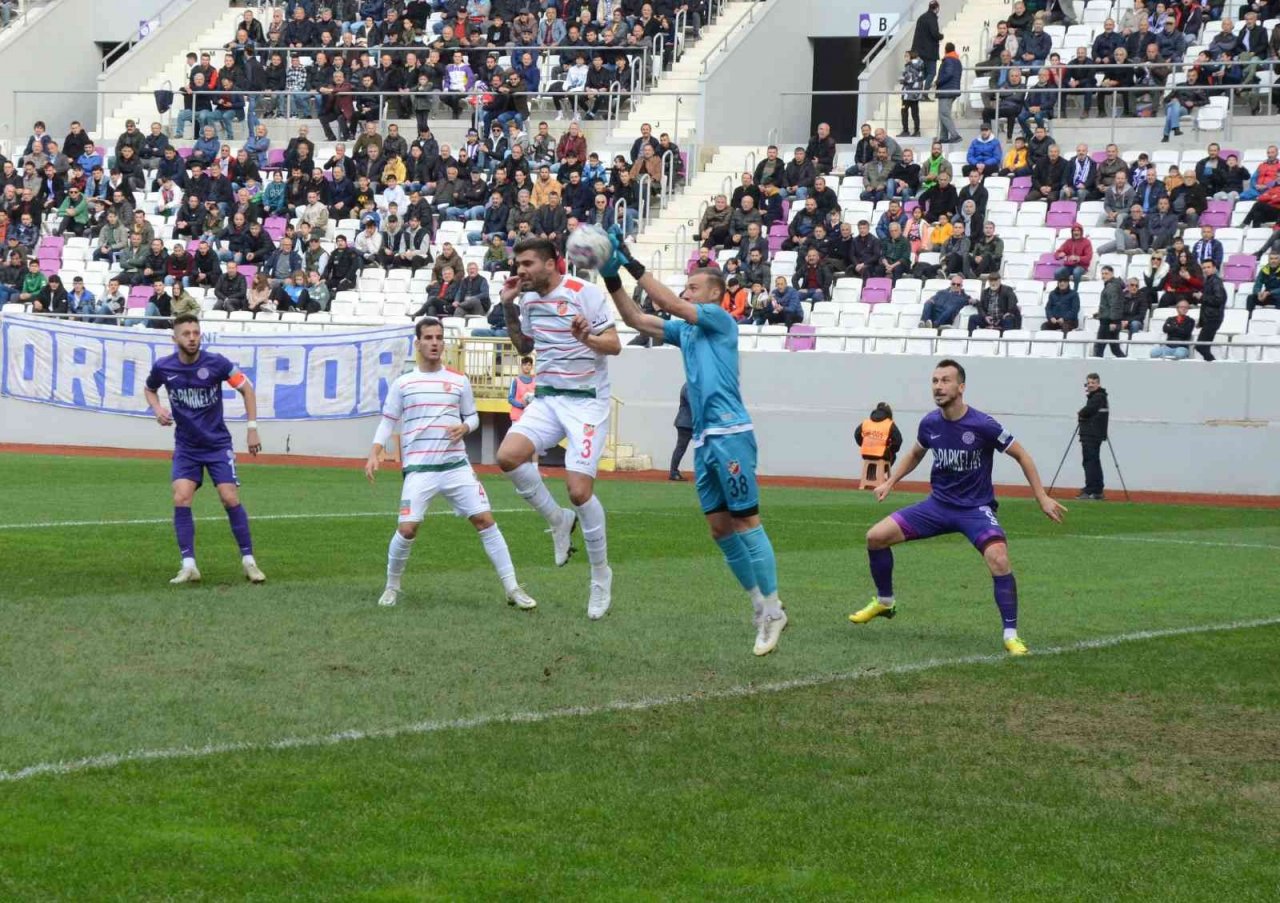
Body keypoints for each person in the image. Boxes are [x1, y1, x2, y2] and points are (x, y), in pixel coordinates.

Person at [599, 230, 788, 656]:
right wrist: (612, 277)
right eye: (686, 287)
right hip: (705, 440)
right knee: (719, 529)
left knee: (746, 523)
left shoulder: (721, 321)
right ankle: (759, 605)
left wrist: (628, 259)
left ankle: (775, 609)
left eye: (693, 287)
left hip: (730, 433)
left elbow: (665, 303)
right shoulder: (686, 333)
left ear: (716, 294)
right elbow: (636, 319)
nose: (686, 291)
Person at [849, 359, 1066, 656]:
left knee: (999, 559)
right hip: (937, 507)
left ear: (961, 387)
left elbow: (1022, 455)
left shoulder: (983, 425)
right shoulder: (930, 423)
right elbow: (915, 453)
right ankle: (885, 602)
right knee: (875, 537)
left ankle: (1011, 635)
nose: (938, 386)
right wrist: (891, 481)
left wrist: (1041, 497)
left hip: (975, 509)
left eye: (945, 380)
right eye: (935, 381)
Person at [365, 318, 537, 611]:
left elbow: (471, 417)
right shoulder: (403, 383)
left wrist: (465, 428)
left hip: (456, 466)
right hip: (420, 470)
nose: (434, 342)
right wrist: (374, 452)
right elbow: (388, 421)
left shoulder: (459, 381)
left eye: (439, 337)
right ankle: (392, 586)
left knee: (485, 521)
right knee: (407, 530)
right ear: (417, 343)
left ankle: (512, 587)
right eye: (428, 337)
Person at [494, 238, 621, 620]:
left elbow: (614, 345)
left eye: (528, 263)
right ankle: (557, 520)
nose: (521, 270)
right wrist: (507, 306)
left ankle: (600, 577)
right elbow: (524, 348)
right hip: (548, 397)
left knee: (579, 492)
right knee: (507, 457)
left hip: (586, 401)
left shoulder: (585, 293)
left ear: (552, 263)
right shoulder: (528, 299)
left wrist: (587, 338)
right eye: (518, 263)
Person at [142, 314, 265, 586]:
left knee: (229, 498)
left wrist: (252, 427)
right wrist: (157, 408)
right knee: (181, 497)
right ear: (174, 338)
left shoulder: (217, 363)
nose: (192, 337)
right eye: (186, 333)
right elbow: (149, 389)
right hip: (186, 446)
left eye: (196, 332)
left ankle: (249, 561)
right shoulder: (164, 367)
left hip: (217, 444)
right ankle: (189, 565)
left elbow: (247, 389)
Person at [1077, 373, 1109, 501]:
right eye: (1089, 383)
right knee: (1094, 461)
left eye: (1093, 383)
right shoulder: (1099, 397)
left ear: (1098, 384)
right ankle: (1097, 490)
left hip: (1091, 435)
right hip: (1095, 434)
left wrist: (1080, 413)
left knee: (1089, 462)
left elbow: (1087, 411)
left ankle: (1090, 490)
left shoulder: (1097, 397)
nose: (1090, 385)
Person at [856, 402, 904, 468]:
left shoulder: (866, 422)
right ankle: (881, 474)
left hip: (865, 454)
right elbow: (898, 440)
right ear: (889, 413)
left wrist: (863, 444)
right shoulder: (889, 424)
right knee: (893, 456)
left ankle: (872, 474)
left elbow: (857, 434)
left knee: (873, 459)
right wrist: (891, 450)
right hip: (881, 455)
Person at [670, 384, 693, 482]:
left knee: (706, 448)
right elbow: (694, 403)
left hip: (692, 423)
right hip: (685, 424)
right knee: (681, 448)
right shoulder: (688, 387)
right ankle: (673, 472)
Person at [508, 355, 535, 424]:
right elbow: (510, 398)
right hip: (517, 416)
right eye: (525, 364)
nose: (527, 367)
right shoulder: (515, 380)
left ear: (532, 366)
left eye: (529, 365)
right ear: (521, 366)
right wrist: (522, 405)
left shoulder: (535, 381)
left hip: (530, 416)